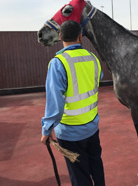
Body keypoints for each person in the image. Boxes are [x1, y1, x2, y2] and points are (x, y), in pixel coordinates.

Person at [40, 20, 105, 186]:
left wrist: (47, 129)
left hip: (70, 133)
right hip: (92, 126)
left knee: (79, 175)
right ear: (80, 36)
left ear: (60, 36)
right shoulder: (93, 59)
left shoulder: (58, 63)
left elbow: (55, 101)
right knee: (96, 166)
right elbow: (98, 79)